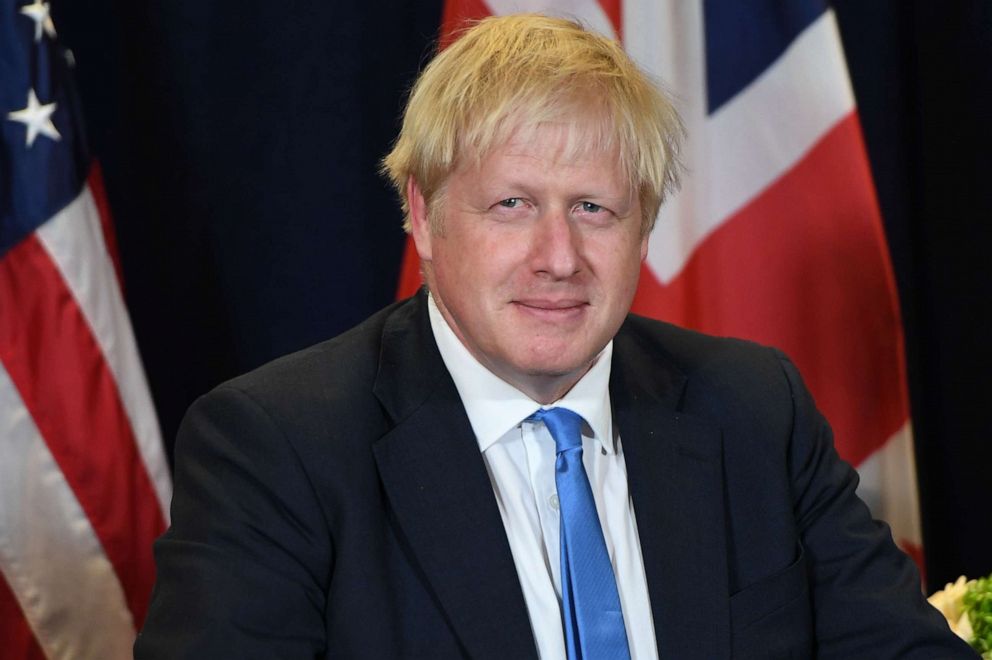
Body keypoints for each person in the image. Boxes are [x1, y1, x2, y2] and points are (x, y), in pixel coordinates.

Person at [135, 14, 974, 660]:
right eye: (513, 205)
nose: (559, 258)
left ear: (643, 228)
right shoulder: (277, 446)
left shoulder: (753, 408)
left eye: (593, 208)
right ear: (423, 216)